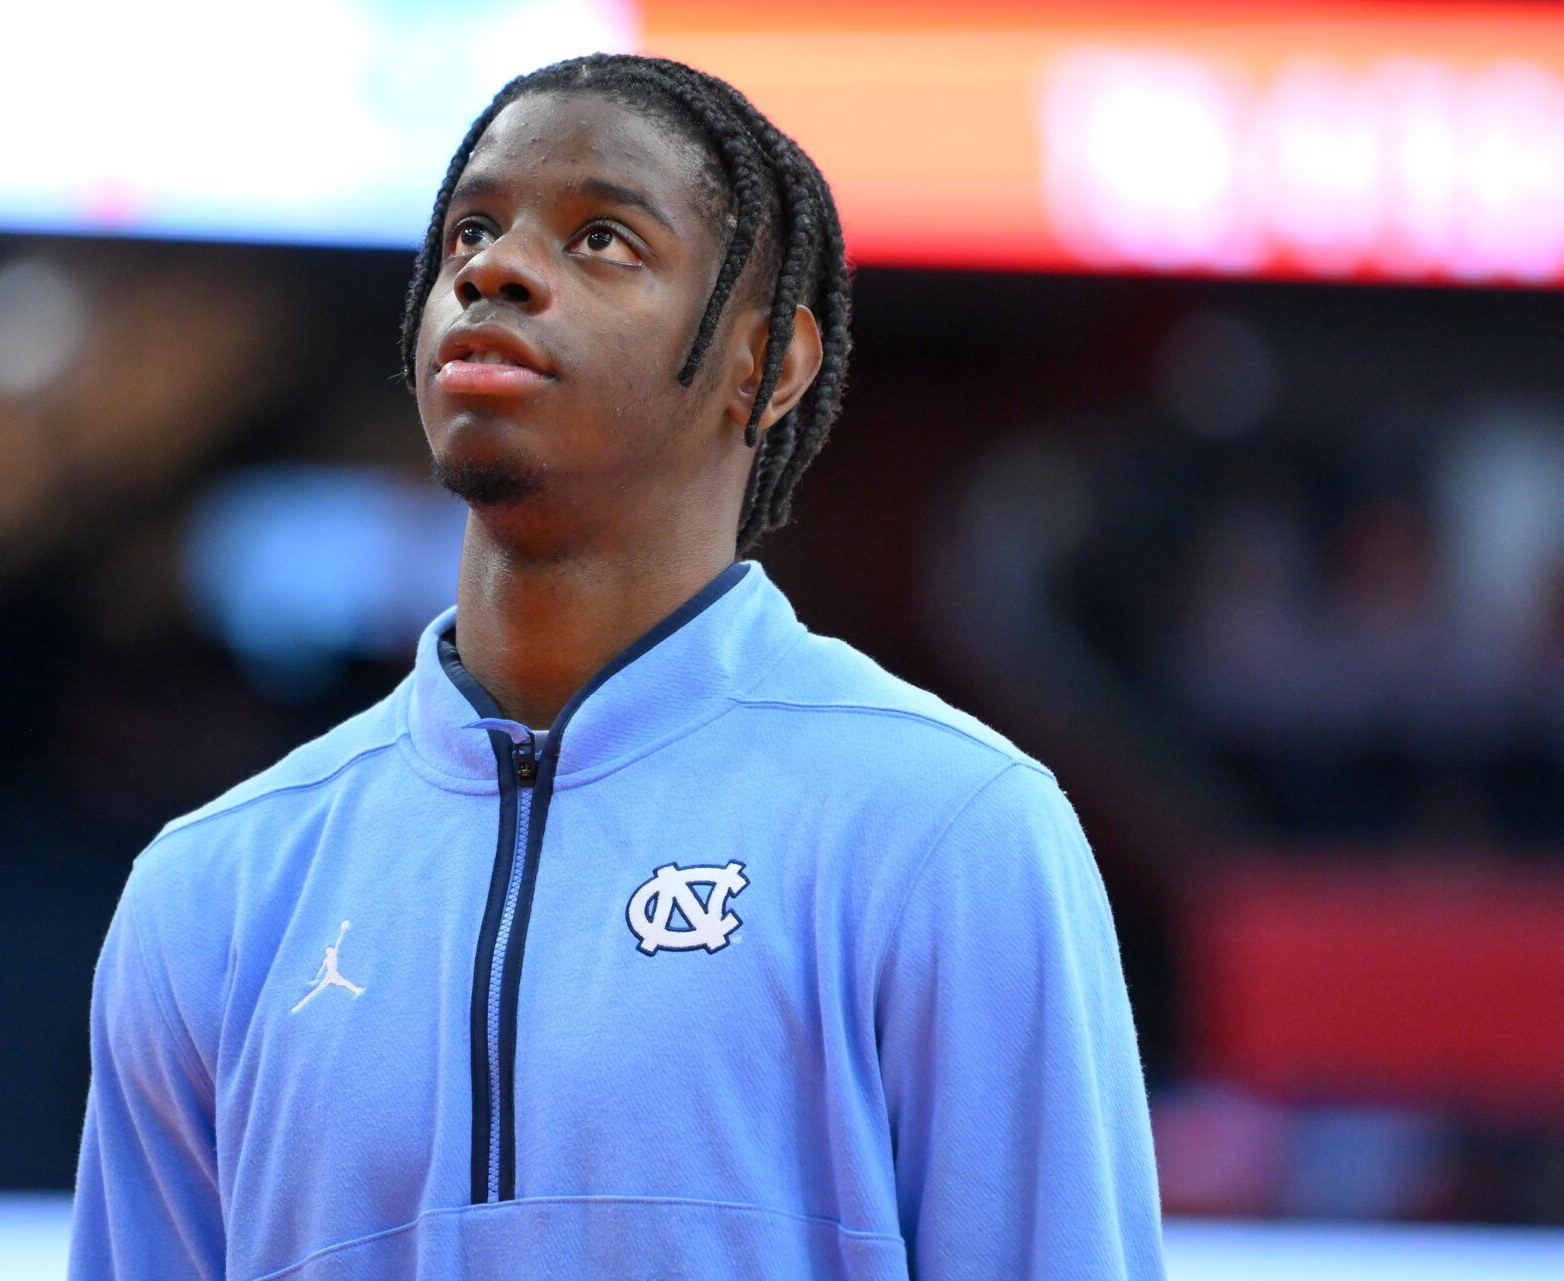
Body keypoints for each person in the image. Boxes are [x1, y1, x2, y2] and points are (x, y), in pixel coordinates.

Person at [68, 52, 1164, 1281]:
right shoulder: (213, 889)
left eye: (601, 238)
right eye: (470, 232)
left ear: (768, 364)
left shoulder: (947, 826)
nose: (492, 270)